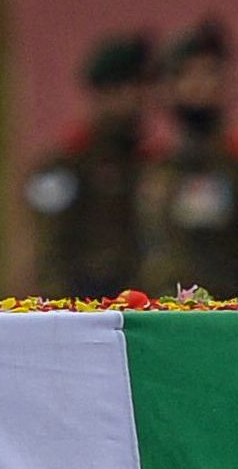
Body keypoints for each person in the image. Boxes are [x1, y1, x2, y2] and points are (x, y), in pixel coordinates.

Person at [138, 19, 238, 297]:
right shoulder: (150, 168)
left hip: (233, 313)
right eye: (185, 75)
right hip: (158, 314)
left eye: (208, 74)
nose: (198, 86)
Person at [24, 31, 152, 298]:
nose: (139, 99)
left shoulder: (151, 162)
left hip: (144, 300)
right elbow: (49, 249)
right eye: (127, 88)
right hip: (83, 302)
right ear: (104, 93)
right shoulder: (66, 165)